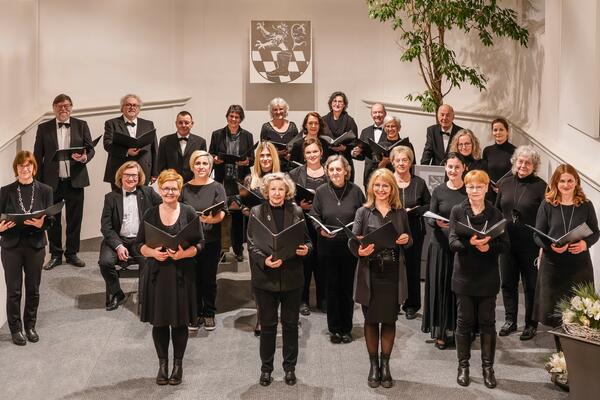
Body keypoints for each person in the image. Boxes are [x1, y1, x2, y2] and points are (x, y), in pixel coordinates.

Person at [137, 169, 204, 386]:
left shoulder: (189, 212)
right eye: (166, 187)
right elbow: (139, 245)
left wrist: (184, 253)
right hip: (157, 274)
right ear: (160, 188)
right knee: (159, 323)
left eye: (174, 188)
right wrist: (154, 252)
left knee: (179, 323)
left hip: (181, 274)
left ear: (180, 189)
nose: (170, 191)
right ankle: (162, 365)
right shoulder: (150, 214)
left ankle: (178, 365)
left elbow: (200, 244)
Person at [246, 172, 311, 387]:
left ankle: (289, 368)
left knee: (291, 325)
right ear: (266, 191)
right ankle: (266, 369)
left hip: (292, 277)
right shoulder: (256, 212)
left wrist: (305, 250)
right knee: (268, 326)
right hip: (266, 278)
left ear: (287, 191)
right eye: (272, 189)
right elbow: (252, 244)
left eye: (280, 189)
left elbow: (308, 242)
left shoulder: (297, 211)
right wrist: (265, 261)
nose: (276, 193)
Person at [349, 168, 412, 389]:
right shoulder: (363, 212)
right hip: (371, 271)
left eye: (385, 185)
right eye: (377, 185)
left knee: (389, 319)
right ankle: (373, 366)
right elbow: (354, 241)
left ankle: (386, 366)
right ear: (371, 188)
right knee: (370, 320)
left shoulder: (399, 212)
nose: (381, 189)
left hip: (393, 272)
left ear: (392, 188)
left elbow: (409, 240)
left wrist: (405, 239)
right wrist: (360, 251)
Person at [449, 170, 509, 389]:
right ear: (465, 188)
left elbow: (505, 245)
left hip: (487, 276)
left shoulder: (496, 213)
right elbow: (453, 242)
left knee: (487, 322)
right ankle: (463, 366)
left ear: (486, 188)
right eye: (471, 187)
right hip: (464, 275)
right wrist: (471, 244)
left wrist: (488, 246)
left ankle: (487, 368)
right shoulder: (457, 211)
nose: (475, 191)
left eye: (479, 186)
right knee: (464, 322)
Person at [533, 164, 599, 336]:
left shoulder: (586, 205)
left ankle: (573, 349)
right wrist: (550, 247)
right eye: (562, 181)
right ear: (556, 183)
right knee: (555, 313)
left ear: (576, 182)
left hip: (579, 266)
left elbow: (595, 232)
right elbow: (537, 235)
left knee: (578, 311)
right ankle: (560, 352)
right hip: (553, 266)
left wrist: (586, 244)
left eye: (570, 180)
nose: (566, 185)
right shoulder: (547, 205)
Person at [34, 93, 95, 270]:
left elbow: (90, 150)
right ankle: (55, 255)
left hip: (75, 180)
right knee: (52, 219)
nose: (63, 109)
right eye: (60, 105)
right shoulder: (43, 128)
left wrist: (85, 158)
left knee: (75, 219)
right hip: (51, 183)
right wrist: (37, 183)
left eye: (67, 105)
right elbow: (38, 156)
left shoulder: (81, 125)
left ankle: (72, 253)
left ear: (71, 107)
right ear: (54, 108)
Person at [0, 151, 53, 346]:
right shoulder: (5, 192)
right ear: (16, 168)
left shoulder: (45, 190)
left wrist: (42, 225)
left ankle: (30, 325)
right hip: (11, 246)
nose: (25, 169)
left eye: (28, 165)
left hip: (35, 245)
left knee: (33, 289)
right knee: (14, 290)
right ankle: (16, 329)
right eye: (21, 166)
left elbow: (51, 219)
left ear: (34, 167)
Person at [310, 155, 365, 342]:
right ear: (327, 172)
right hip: (328, 247)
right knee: (331, 288)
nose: (335, 173)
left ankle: (347, 328)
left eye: (338, 169)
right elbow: (314, 215)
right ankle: (334, 329)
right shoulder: (321, 191)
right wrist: (320, 229)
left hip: (349, 248)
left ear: (346, 171)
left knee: (347, 289)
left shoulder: (356, 191)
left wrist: (359, 232)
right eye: (331, 170)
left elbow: (364, 214)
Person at [495, 146, 546, 340]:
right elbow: (498, 210)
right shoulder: (505, 183)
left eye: (528, 162)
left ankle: (531, 324)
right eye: (520, 161)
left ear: (534, 166)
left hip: (530, 244)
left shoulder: (541, 186)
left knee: (530, 285)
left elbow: (545, 217)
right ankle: (510, 320)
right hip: (506, 242)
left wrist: (542, 244)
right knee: (507, 283)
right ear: (514, 162)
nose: (523, 165)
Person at [99, 161, 161, 312]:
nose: (131, 178)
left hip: (141, 240)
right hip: (118, 239)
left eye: (134, 175)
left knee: (149, 261)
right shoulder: (111, 197)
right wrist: (118, 246)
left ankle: (145, 295)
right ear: (121, 176)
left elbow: (164, 207)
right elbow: (106, 226)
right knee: (105, 262)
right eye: (127, 175)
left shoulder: (148, 192)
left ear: (139, 177)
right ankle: (116, 293)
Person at [421, 152, 467, 349]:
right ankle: (441, 331)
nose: (453, 171)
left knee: (459, 290)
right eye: (449, 167)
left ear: (464, 168)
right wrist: (437, 222)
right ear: (445, 168)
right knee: (440, 288)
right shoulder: (438, 190)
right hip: (440, 245)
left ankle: (459, 330)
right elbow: (430, 217)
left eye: (457, 167)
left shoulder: (468, 190)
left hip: (461, 248)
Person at [181, 151, 227, 332]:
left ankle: (208, 312)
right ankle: (194, 312)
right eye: (198, 163)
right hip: (189, 240)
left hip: (210, 239)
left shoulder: (217, 187)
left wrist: (211, 220)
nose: (201, 167)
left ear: (210, 167)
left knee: (208, 278)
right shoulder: (184, 188)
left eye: (205, 164)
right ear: (192, 166)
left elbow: (222, 212)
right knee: (191, 277)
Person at [209, 104, 255, 262]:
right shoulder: (217, 134)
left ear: (241, 119)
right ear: (227, 116)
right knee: (222, 215)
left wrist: (246, 162)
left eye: (237, 117)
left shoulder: (247, 135)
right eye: (231, 116)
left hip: (240, 180)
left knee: (238, 217)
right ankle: (222, 250)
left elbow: (252, 159)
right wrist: (215, 159)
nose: (234, 119)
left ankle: (238, 249)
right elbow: (211, 154)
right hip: (223, 180)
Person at [390, 146, 431, 319]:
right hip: (391, 229)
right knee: (391, 267)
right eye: (398, 160)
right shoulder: (387, 180)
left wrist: (416, 210)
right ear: (392, 162)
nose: (401, 163)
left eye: (405, 160)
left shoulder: (419, 183)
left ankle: (411, 305)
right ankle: (392, 302)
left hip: (415, 228)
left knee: (412, 268)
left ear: (410, 162)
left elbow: (429, 205)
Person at [289, 138, 328, 316]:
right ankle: (302, 300)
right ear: (304, 155)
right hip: (302, 222)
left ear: (321, 152)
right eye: (308, 152)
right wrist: (300, 206)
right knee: (303, 263)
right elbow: (288, 198)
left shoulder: (330, 172)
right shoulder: (295, 173)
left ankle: (323, 299)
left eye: (315, 151)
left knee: (322, 262)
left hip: (324, 223)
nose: (312, 155)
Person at [104, 94, 157, 188]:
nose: (132, 107)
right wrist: (126, 152)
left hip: (143, 171)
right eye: (128, 105)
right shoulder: (111, 124)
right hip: (119, 171)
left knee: (143, 201)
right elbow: (107, 145)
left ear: (139, 108)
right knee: (120, 201)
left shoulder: (148, 124)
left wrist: (155, 172)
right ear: (122, 108)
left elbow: (154, 149)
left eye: (135, 105)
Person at [157, 111, 207, 182]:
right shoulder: (164, 141)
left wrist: (195, 181)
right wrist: (169, 180)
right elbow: (161, 165)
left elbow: (202, 165)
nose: (183, 125)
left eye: (186, 123)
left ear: (192, 124)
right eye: (180, 122)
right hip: (171, 183)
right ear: (176, 124)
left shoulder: (201, 142)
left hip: (194, 183)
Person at [363, 115, 415, 181]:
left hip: (403, 180)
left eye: (393, 126)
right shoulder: (379, 146)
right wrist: (384, 162)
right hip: (385, 180)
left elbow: (413, 166)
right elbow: (375, 171)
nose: (390, 129)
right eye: (387, 126)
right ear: (384, 128)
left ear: (399, 128)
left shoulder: (407, 145)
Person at [322, 91, 358, 181]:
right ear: (331, 103)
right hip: (327, 159)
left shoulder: (350, 121)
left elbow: (354, 141)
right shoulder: (323, 120)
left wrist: (344, 148)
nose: (337, 104)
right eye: (334, 101)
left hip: (344, 159)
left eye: (340, 102)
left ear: (344, 104)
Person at [352, 102, 387, 187]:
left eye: (380, 112)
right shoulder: (365, 131)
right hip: (368, 176)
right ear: (371, 114)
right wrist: (355, 153)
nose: (377, 115)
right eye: (375, 112)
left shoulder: (390, 130)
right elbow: (362, 156)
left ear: (385, 114)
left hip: (385, 174)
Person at [259, 97, 299, 172]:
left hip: (290, 168)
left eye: (281, 109)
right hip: (271, 168)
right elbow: (263, 149)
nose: (278, 112)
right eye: (275, 110)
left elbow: (297, 148)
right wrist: (276, 153)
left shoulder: (292, 126)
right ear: (271, 111)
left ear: (285, 110)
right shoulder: (266, 127)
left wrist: (291, 155)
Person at [482, 118, 516, 187]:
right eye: (495, 130)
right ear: (492, 132)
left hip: (507, 190)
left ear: (507, 132)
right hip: (490, 190)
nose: (498, 132)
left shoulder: (515, 151)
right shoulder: (487, 150)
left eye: (501, 129)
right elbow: (484, 172)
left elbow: (515, 174)